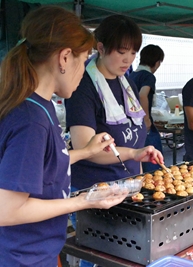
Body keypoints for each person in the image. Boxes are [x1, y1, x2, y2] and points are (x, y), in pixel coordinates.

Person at [0, 6, 130, 266]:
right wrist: (83, 201)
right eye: (83, 61)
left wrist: (85, 152)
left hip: (35, 250)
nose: (83, 71)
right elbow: (7, 210)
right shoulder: (31, 119)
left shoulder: (39, 104)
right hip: (23, 256)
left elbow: (41, 167)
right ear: (64, 58)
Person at [65, 14, 164, 267]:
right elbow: (85, 147)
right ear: (100, 47)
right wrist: (132, 153)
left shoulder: (125, 80)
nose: (128, 59)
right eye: (122, 52)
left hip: (127, 189)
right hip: (95, 192)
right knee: (100, 259)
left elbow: (137, 131)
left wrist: (140, 174)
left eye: (133, 53)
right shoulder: (83, 86)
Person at [129, 44, 165, 172]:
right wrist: (147, 119)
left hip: (131, 125)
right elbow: (142, 94)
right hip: (142, 123)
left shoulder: (132, 75)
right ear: (157, 63)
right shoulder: (148, 76)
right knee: (154, 161)